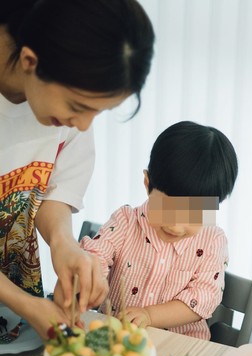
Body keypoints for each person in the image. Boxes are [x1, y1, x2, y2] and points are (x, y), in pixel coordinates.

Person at [0, 0, 155, 338]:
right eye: (78, 107)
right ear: (30, 61)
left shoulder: (65, 86)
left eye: (97, 113)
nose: (83, 126)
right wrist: (24, 304)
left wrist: (63, 243)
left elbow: (51, 192)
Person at [80, 121, 239, 340]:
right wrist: (90, 276)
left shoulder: (213, 240)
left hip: (181, 349)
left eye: (193, 214)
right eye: (168, 209)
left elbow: (204, 297)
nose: (175, 226)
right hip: (115, 340)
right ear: (147, 184)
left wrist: (150, 315)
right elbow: (96, 254)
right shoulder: (126, 221)